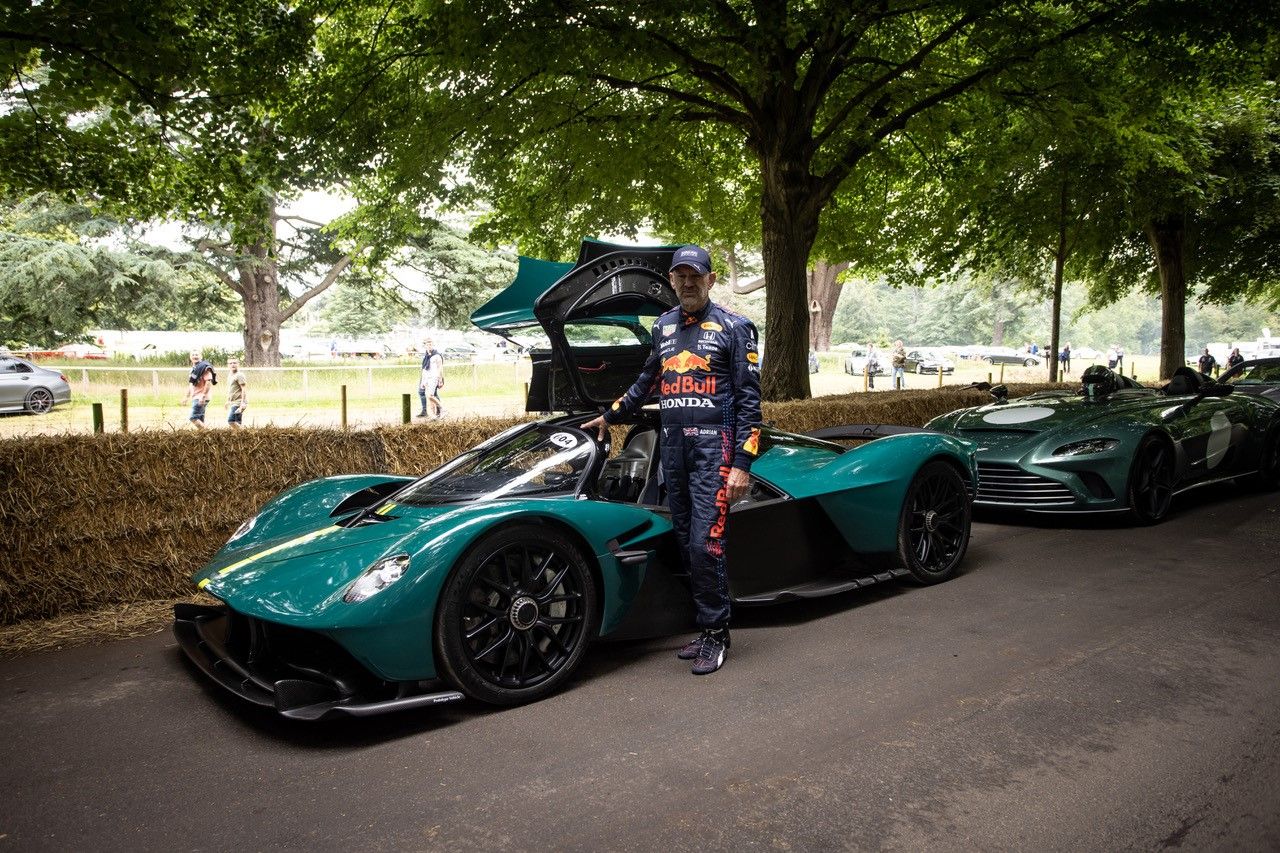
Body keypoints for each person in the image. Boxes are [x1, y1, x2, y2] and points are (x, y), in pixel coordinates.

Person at [583, 244, 762, 676]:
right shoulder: (662, 326)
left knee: (706, 545)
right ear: (672, 281)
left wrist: (742, 463)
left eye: (695, 275)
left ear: (711, 280)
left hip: (715, 452)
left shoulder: (736, 328)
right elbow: (647, 381)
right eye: (679, 275)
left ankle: (717, 634)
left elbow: (750, 404)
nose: (687, 282)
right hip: (674, 450)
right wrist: (610, 416)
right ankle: (704, 629)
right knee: (685, 543)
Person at [182, 351, 214, 429]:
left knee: (193, 418)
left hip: (200, 397)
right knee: (200, 419)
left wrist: (203, 395)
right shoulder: (193, 369)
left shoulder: (204, 368)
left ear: (201, 356)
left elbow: (208, 382)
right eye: (193, 355)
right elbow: (191, 384)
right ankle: (204, 438)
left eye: (197, 355)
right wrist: (186, 397)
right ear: (190, 357)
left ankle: (211, 434)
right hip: (195, 397)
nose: (195, 356)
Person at [417, 338, 445, 419]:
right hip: (427, 378)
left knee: (430, 395)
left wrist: (440, 379)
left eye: (430, 344)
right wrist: (423, 381)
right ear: (425, 346)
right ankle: (434, 416)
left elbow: (440, 368)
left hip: (434, 377)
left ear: (433, 345)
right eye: (427, 344)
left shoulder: (437, 355)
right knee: (430, 399)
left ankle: (442, 408)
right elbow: (424, 369)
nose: (429, 346)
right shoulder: (426, 356)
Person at [225, 357, 247, 428]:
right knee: (237, 422)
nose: (232, 365)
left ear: (238, 364)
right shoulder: (230, 375)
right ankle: (240, 437)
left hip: (238, 402)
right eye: (230, 363)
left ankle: (245, 433)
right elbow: (231, 390)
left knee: (231, 420)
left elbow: (243, 389)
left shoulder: (239, 375)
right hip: (233, 402)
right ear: (228, 365)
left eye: (234, 363)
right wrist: (228, 401)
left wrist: (242, 404)